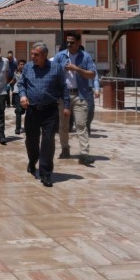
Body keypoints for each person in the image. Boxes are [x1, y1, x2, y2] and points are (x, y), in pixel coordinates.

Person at [17, 42, 70, 188]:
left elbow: (63, 87)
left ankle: (46, 173)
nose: (32, 56)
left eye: (36, 54)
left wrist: (67, 105)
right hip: (32, 110)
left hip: (50, 111)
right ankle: (32, 160)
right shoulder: (28, 67)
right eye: (32, 54)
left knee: (48, 141)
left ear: (45, 55)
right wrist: (22, 95)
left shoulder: (56, 68)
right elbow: (21, 84)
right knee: (31, 140)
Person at [53, 31, 97, 165]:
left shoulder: (85, 56)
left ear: (78, 43)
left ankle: (84, 154)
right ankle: (65, 149)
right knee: (63, 126)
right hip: (63, 96)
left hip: (80, 95)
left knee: (81, 124)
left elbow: (92, 74)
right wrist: (62, 70)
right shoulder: (60, 56)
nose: (69, 44)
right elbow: (52, 73)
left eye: (72, 42)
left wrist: (76, 69)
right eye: (67, 42)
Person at [11, 60, 27, 134]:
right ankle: (18, 128)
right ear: (18, 65)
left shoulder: (27, 73)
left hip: (25, 93)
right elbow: (14, 80)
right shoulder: (15, 73)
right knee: (19, 110)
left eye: (23, 64)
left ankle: (27, 127)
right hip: (17, 92)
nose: (22, 66)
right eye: (20, 64)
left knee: (25, 110)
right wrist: (8, 85)